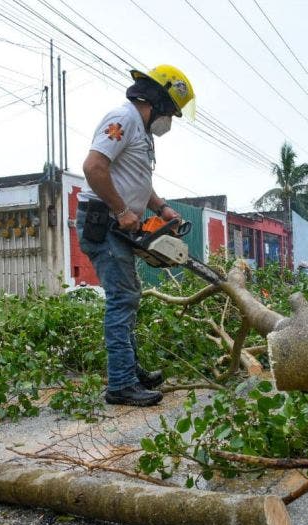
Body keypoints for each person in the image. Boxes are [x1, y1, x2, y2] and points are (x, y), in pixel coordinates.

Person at [77, 65, 195, 407]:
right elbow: (93, 167)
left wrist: (160, 208)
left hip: (116, 222)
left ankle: (129, 369)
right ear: (158, 100)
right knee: (122, 298)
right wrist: (121, 211)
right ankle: (121, 384)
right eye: (171, 111)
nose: (170, 119)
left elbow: (135, 179)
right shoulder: (123, 119)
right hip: (103, 222)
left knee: (129, 295)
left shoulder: (139, 130)